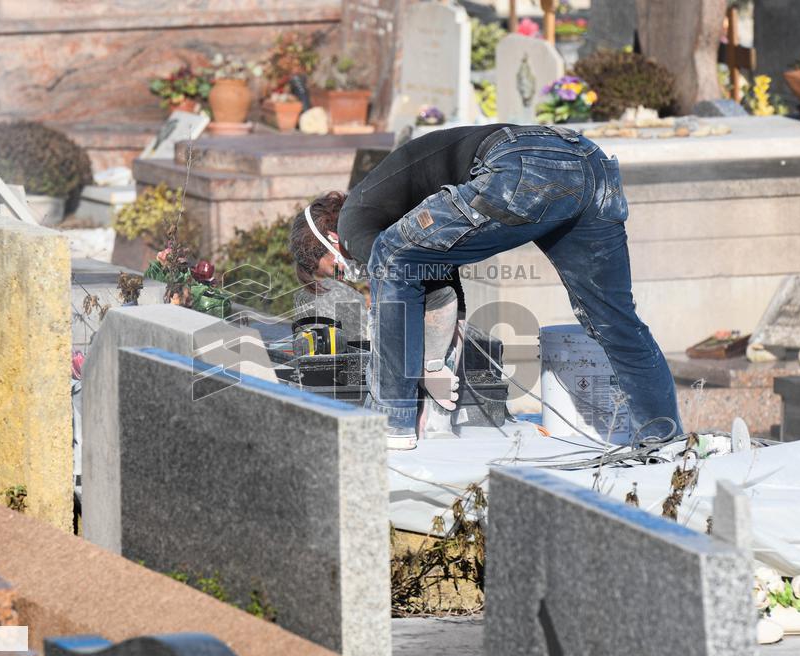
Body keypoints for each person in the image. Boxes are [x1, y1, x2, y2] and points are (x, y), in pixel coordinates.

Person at [292, 123, 682, 449]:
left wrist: (423, 370)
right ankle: (663, 437)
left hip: (520, 165)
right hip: (589, 165)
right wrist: (434, 364)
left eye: (337, 271)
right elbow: (443, 286)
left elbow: (393, 274)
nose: (349, 276)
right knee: (612, 321)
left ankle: (389, 423)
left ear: (329, 239)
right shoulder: (397, 213)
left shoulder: (353, 219)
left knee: (390, 258)